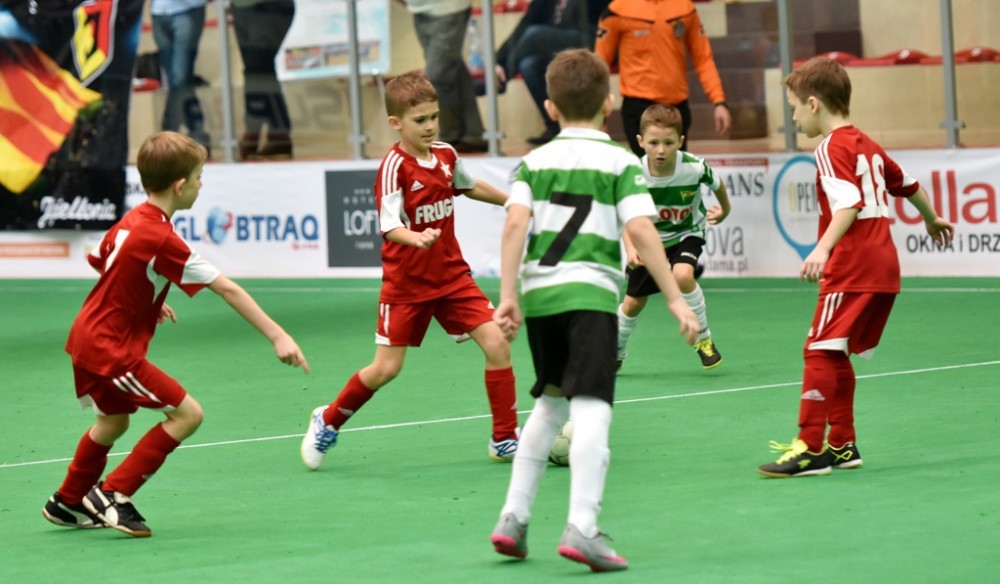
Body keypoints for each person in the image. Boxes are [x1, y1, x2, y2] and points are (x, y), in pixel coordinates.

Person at [488, 49, 699, 572]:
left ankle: (513, 518)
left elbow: (514, 224)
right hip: (589, 297)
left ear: (549, 107)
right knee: (594, 409)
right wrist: (675, 298)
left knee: (549, 405)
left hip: (542, 298)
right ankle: (582, 526)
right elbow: (642, 229)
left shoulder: (534, 162)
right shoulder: (620, 162)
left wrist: (509, 294)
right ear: (609, 103)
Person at [42, 132, 310, 537]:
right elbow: (227, 289)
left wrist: (148, 296)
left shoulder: (133, 220)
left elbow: (105, 263)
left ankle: (67, 500)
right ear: (181, 185)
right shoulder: (162, 238)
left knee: (112, 424)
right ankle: (113, 493)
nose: (202, 185)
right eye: (199, 177)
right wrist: (278, 336)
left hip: (86, 339)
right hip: (112, 351)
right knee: (188, 415)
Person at [300, 71, 518, 470]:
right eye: (420, 120)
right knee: (386, 369)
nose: (430, 126)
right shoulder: (394, 167)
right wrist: (415, 238)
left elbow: (468, 186)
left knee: (497, 344)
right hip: (406, 285)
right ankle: (327, 420)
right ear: (395, 123)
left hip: (452, 277)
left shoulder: (446, 154)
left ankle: (504, 438)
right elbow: (388, 226)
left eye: (434, 117)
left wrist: (511, 202)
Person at [757, 58, 954, 478]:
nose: (793, 118)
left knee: (817, 349)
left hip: (852, 266)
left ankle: (809, 448)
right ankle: (843, 444)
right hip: (884, 267)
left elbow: (848, 202)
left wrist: (821, 248)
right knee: (835, 350)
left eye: (794, 108)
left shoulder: (829, 148)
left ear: (813, 104)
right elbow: (908, 184)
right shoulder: (867, 144)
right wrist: (932, 218)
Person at [616, 104, 731, 371]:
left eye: (668, 143)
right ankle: (617, 350)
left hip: (686, 233)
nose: (661, 150)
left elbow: (718, 185)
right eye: (653, 143)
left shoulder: (694, 167)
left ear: (680, 141)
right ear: (640, 141)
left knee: (683, 275)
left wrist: (725, 210)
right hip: (649, 241)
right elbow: (626, 214)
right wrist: (631, 248)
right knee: (632, 303)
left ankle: (704, 339)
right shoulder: (634, 173)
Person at [594, 0, 732, 156]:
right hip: (638, 108)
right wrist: (598, 115)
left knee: (675, 169)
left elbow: (703, 59)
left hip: (676, 109)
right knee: (645, 169)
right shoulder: (617, 10)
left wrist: (719, 101)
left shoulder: (685, 8)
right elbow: (600, 66)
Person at [494, 0, 591, 146]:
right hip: (555, 45)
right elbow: (525, 25)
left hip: (587, 38)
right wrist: (497, 61)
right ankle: (554, 125)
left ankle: (499, 81)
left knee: (535, 34)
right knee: (528, 65)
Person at [406, 0, 488, 153]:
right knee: (453, 69)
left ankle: (450, 136)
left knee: (439, 74)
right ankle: (473, 134)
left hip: (448, 8)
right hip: (419, 9)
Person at [231, 0, 295, 160]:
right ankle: (277, 136)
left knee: (257, 68)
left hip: (270, 6)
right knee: (258, 70)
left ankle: (260, 133)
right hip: (240, 7)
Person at [150, 0, 212, 154]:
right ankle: (195, 130)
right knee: (175, 81)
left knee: (180, 78)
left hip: (188, 10)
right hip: (158, 12)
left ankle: (170, 130)